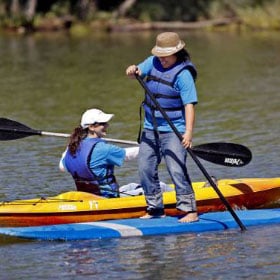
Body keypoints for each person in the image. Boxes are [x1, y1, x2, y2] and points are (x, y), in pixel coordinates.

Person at [126, 32, 199, 223]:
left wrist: (188, 132)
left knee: (176, 169)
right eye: (160, 55)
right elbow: (137, 72)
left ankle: (189, 210)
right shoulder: (153, 61)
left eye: (166, 55)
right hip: (151, 128)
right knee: (145, 167)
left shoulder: (183, 75)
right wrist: (132, 70)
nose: (162, 59)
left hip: (174, 129)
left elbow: (189, 105)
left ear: (177, 52)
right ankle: (155, 208)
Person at [59, 108, 139, 198]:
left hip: (86, 196)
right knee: (156, 187)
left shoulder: (73, 147)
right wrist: (149, 148)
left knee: (132, 186)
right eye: (103, 124)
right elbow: (128, 155)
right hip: (106, 197)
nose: (107, 125)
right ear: (91, 127)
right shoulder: (103, 149)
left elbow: (62, 167)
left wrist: (68, 147)